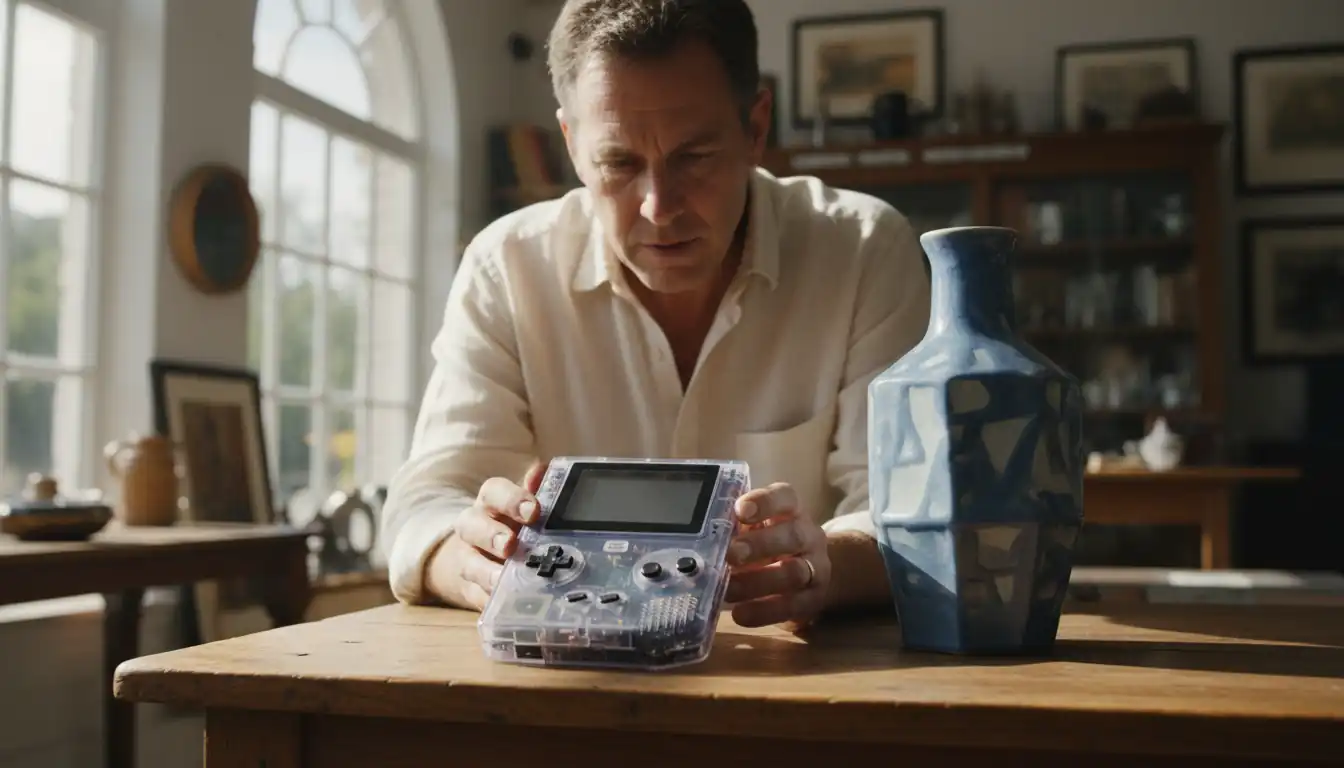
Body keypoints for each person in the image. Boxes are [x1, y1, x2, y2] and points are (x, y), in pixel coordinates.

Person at [380, 0, 931, 632]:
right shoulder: (506, 267)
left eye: (694, 157)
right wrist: (475, 560)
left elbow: (912, 514)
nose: (658, 208)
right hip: (569, 668)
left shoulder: (863, 250)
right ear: (571, 143)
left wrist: (826, 562)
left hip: (801, 673)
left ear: (755, 128)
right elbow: (426, 506)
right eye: (618, 163)